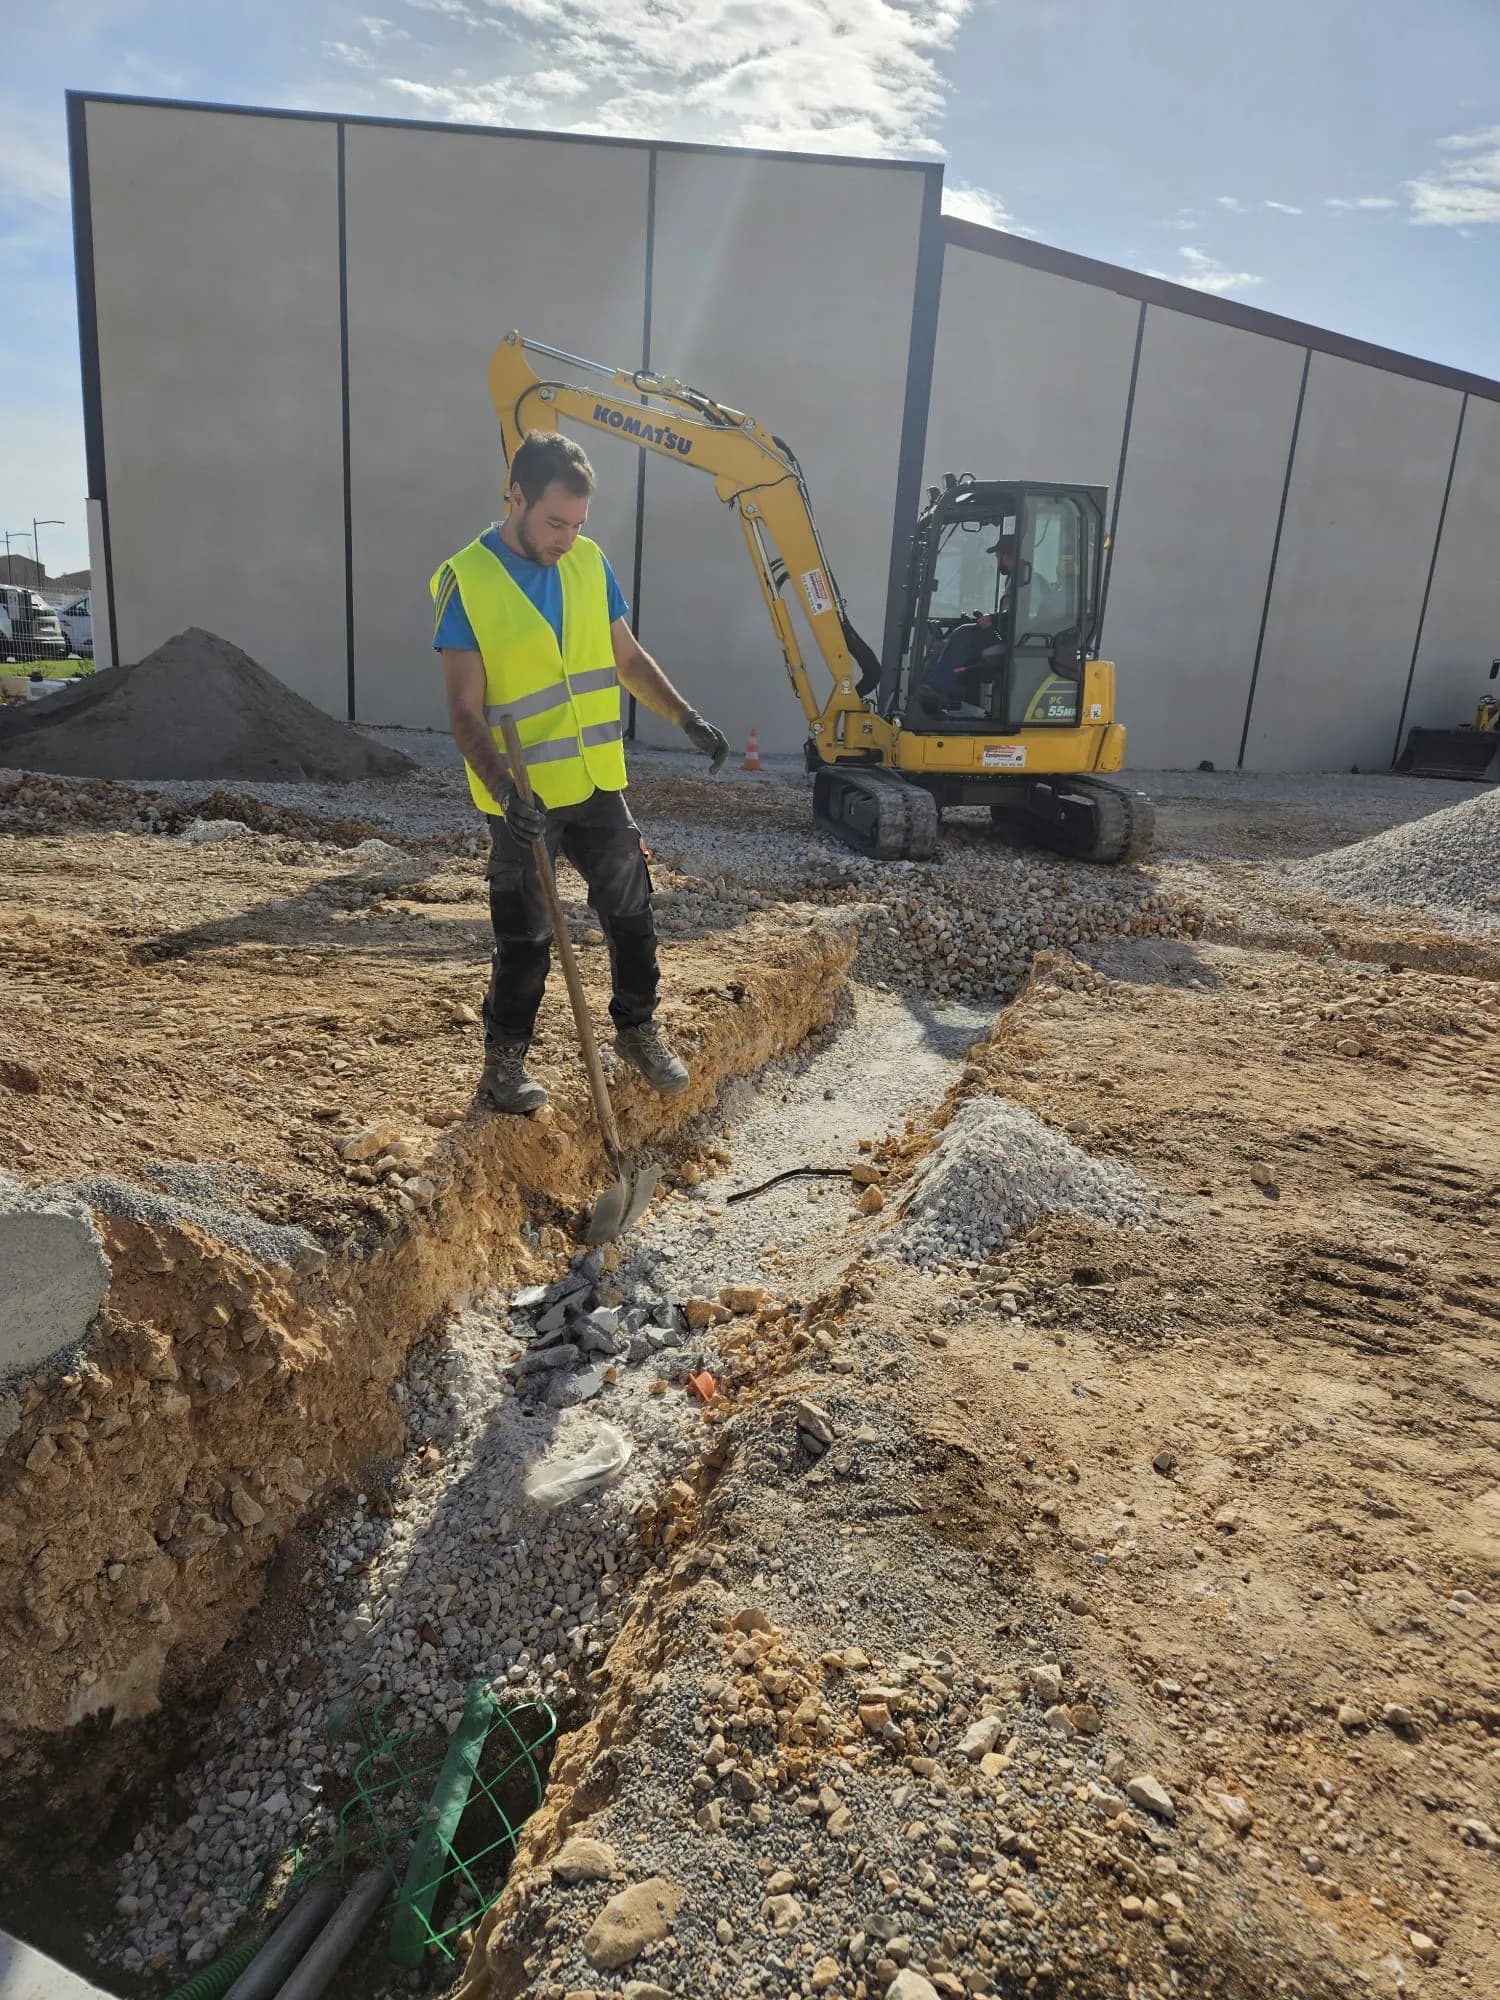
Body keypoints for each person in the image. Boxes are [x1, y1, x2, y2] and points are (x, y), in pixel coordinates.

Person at [432, 430, 729, 1115]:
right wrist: (506, 793)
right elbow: (465, 712)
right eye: (554, 522)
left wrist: (684, 717)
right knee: (527, 937)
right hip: (523, 797)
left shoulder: (589, 564)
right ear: (515, 497)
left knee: (632, 907)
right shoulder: (467, 581)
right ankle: (503, 1068)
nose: (566, 538)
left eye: (577, 524)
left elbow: (625, 657)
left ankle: (637, 1029)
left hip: (595, 781)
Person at [921, 534, 1016, 711]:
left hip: (1016, 643)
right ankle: (941, 687)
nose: (997, 560)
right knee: (961, 632)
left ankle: (938, 689)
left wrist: (993, 619)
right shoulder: (1015, 579)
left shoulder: (1026, 582)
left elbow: (1024, 617)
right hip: (1007, 637)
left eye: (998, 555)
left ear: (1006, 555)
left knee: (964, 633)